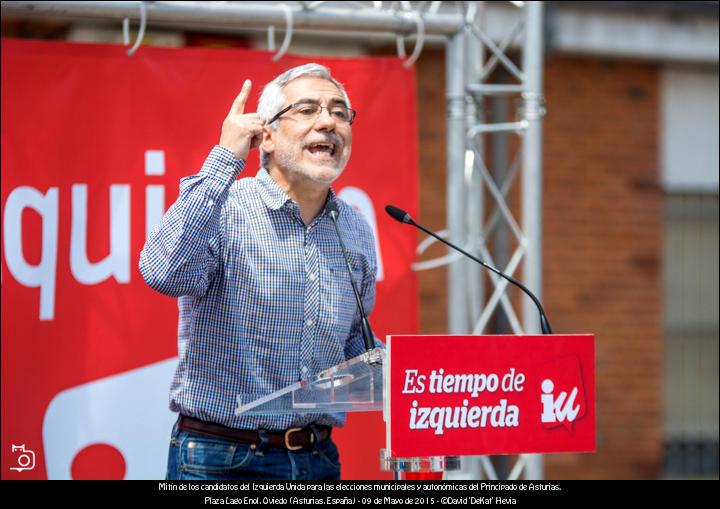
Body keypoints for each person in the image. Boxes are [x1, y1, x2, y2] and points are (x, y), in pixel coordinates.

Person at [139, 63, 380, 480]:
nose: (328, 122)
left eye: (340, 113)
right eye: (307, 110)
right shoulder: (225, 207)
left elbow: (353, 345)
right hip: (222, 460)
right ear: (265, 134)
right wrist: (223, 160)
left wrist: (401, 373)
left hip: (317, 459)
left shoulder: (355, 228)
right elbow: (163, 272)